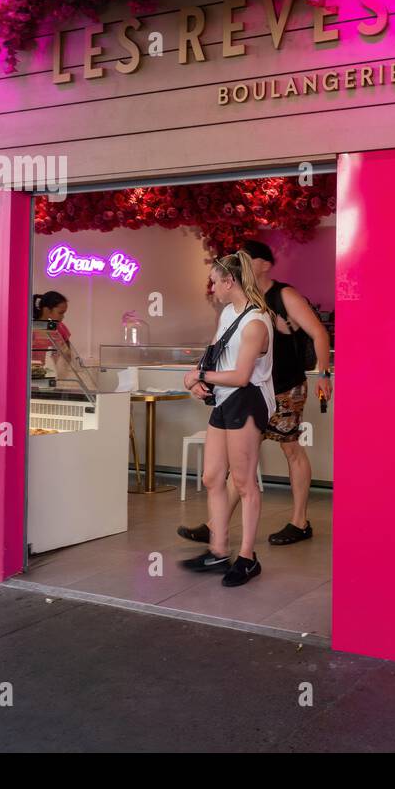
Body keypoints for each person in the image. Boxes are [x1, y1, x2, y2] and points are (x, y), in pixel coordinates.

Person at [178, 240, 332, 547]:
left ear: (262, 264)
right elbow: (217, 347)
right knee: (242, 465)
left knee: (290, 449)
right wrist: (201, 375)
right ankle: (216, 526)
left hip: (285, 385)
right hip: (247, 392)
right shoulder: (235, 308)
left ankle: (299, 521)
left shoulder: (282, 295)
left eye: (245, 258)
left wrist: (323, 373)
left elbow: (318, 332)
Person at [180, 251, 275, 587]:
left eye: (214, 281)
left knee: (244, 484)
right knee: (211, 477)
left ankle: (248, 558)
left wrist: (199, 373)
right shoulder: (227, 314)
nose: (212, 287)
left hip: (247, 401)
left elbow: (241, 376)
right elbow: (217, 358)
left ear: (229, 281)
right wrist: (199, 380)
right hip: (224, 401)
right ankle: (218, 549)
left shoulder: (255, 322)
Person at [31, 291, 74, 370]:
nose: (62, 317)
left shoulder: (60, 328)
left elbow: (68, 354)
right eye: (60, 313)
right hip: (33, 374)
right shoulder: (30, 329)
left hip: (54, 373)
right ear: (47, 310)